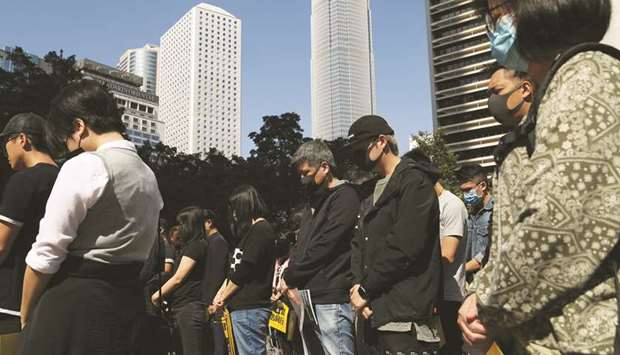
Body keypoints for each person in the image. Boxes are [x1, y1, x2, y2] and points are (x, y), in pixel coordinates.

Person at [459, 1, 620, 354]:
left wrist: (487, 302)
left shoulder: (586, 75)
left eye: (501, 11)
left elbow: (559, 224)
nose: (496, 25)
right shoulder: (557, 91)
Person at [18, 79, 163, 355]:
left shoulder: (87, 165)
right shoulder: (148, 175)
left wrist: (27, 315)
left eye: (66, 138)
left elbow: (46, 254)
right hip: (127, 309)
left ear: (79, 126)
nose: (69, 146)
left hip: (72, 310)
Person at [348, 115, 443, 355]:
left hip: (405, 314)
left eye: (361, 148)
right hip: (373, 312)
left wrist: (365, 290)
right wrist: (358, 286)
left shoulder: (415, 182)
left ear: (382, 142)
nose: (357, 156)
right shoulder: (371, 189)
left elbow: (404, 246)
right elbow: (360, 244)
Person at [276, 139, 360, 355]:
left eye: (307, 173)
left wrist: (291, 275)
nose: (303, 179)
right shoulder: (314, 201)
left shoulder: (345, 196)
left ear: (325, 167)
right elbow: (303, 243)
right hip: (310, 295)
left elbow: (326, 244)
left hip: (331, 295)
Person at [404, 149, 468, 355]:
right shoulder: (424, 205)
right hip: (430, 295)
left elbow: (447, 255)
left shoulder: (451, 206)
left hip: (449, 296)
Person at [0, 113, 59, 335]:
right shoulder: (66, 178)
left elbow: (1, 245)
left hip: (10, 302)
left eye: (6, 141)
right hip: (48, 298)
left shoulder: (24, 180)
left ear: (22, 140)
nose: (4, 150)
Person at [213, 185, 277, 355]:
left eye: (235, 209)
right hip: (243, 309)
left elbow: (245, 269)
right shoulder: (251, 233)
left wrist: (223, 297)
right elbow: (234, 271)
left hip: (250, 308)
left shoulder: (261, 230)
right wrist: (220, 295)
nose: (233, 214)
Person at [151, 207, 210, 355]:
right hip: (180, 309)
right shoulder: (189, 247)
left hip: (189, 309)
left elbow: (178, 278)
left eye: (183, 224)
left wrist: (156, 296)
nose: (179, 229)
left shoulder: (197, 246)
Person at [458, 165, 493, 280]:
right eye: (462, 191)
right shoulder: (468, 214)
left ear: (482, 186)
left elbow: (487, 254)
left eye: (468, 190)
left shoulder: (496, 211)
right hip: (469, 280)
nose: (465, 195)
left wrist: (461, 270)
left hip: (487, 280)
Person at [202, 209, 230, 355]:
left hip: (215, 303)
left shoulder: (218, 242)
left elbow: (216, 275)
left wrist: (212, 302)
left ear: (209, 222)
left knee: (218, 347)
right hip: (210, 302)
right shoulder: (210, 242)